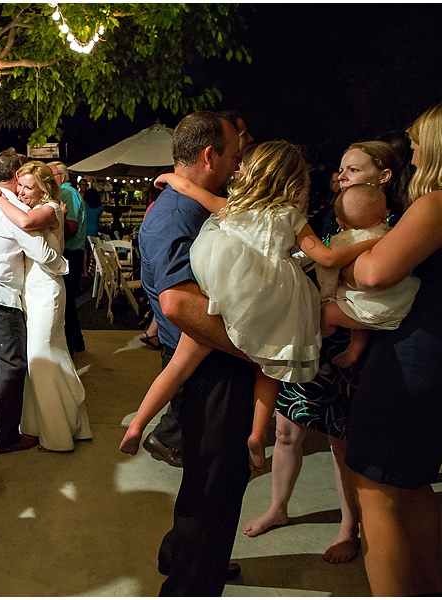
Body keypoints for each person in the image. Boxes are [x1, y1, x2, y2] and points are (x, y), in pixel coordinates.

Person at [121, 141, 379, 471]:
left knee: (180, 365)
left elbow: (189, 188)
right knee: (268, 366)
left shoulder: (233, 206)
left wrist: (170, 179)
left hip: (231, 291)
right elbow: (326, 257)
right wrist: (372, 240)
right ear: (294, 182)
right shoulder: (291, 216)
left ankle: (138, 424)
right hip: (274, 301)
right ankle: (257, 435)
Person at [243, 139, 411, 565]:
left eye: (352, 170)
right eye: (341, 169)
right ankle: (278, 508)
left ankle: (348, 526)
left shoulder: (394, 227)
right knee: (286, 431)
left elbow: (381, 293)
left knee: (340, 441)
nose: (341, 177)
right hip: (312, 336)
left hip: (345, 340)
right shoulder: (338, 214)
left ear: (383, 176)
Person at [344, 97, 442, 596]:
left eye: (416, 146)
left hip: (414, 358)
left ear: (439, 148)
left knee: (373, 487)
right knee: (414, 482)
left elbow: (374, 273)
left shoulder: (440, 204)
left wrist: (344, 266)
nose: (411, 156)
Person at [136, 111, 253, 595]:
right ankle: (188, 583)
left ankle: (183, 555)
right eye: (234, 153)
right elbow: (179, 304)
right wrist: (254, 350)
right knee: (215, 487)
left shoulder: (186, 205)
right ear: (211, 155)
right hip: (211, 370)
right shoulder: (178, 213)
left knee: (207, 480)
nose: (238, 161)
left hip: (205, 364)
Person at [0, 151, 68, 451]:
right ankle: (7, 436)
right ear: (14, 177)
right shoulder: (12, 210)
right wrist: (60, 263)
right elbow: (42, 253)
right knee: (15, 364)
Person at [0, 160, 91, 451]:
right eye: (18, 185)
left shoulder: (51, 209)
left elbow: (25, 226)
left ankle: (58, 437)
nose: (20, 191)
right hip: (32, 291)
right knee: (52, 357)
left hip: (47, 292)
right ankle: (60, 424)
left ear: (45, 188)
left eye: (28, 187)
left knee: (40, 359)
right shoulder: (34, 208)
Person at [317, 184, 420, 367]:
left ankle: (318, 344)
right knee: (356, 308)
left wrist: (325, 296)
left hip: (366, 310)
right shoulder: (393, 234)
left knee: (326, 313)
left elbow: (327, 273)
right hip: (402, 304)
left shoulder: (343, 241)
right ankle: (354, 351)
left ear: (340, 223)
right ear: (384, 214)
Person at [48, 161, 86, 355]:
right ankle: (76, 342)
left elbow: (70, 227)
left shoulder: (66, 193)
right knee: (68, 300)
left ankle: (72, 344)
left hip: (70, 251)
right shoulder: (71, 193)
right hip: (74, 251)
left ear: (61, 177)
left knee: (67, 300)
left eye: (51, 175)